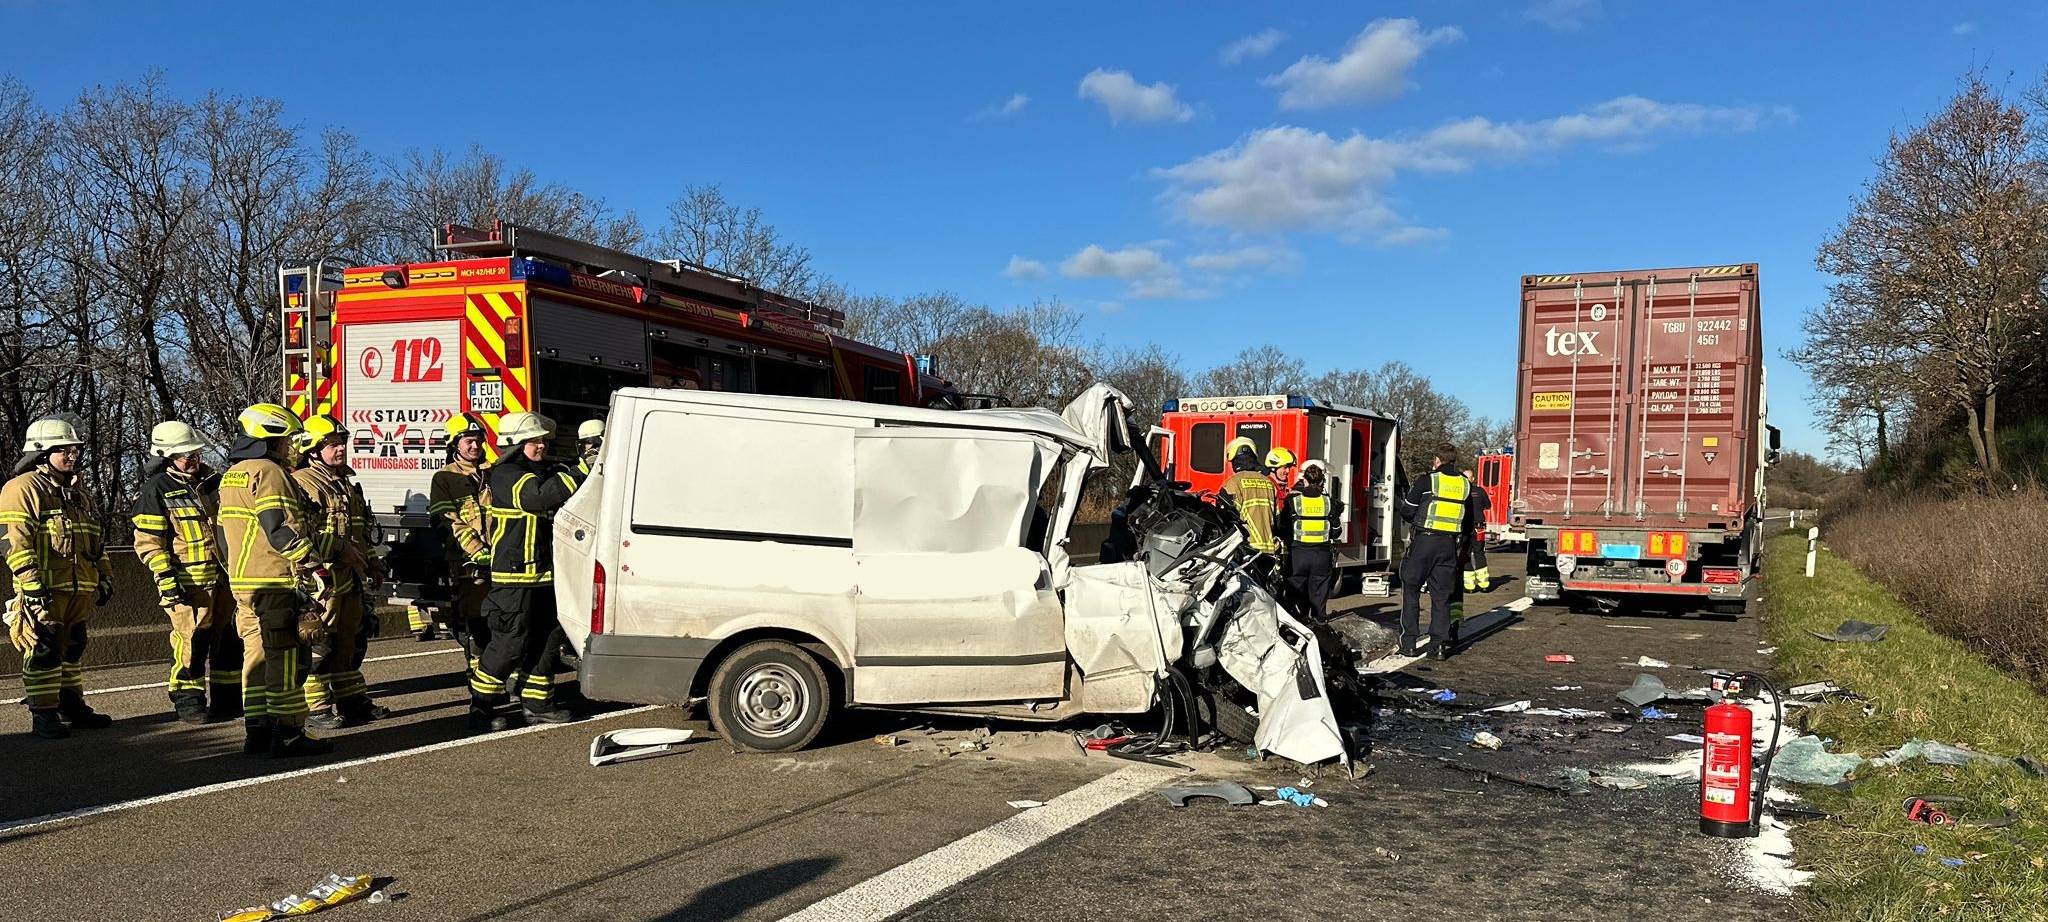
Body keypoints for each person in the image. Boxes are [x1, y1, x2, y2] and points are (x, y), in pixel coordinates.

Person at [217, 403, 332, 756]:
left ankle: (257, 731)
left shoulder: (230, 475)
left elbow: (221, 535)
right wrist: (313, 565)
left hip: (242, 581)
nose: (289, 447)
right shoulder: (270, 472)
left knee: (254, 656)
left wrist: (235, 570)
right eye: (284, 440)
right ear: (269, 439)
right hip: (276, 579)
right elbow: (278, 527)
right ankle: (288, 732)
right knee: (285, 656)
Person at [469, 412, 585, 732]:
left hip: (546, 574)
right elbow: (537, 498)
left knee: (549, 639)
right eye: (533, 440)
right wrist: (582, 470)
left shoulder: (544, 470)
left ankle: (537, 703)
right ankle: (482, 705)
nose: (541, 445)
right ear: (514, 445)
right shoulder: (506, 474)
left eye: (543, 440)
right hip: (515, 576)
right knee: (510, 643)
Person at [3, 418, 115, 740]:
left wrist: (104, 577)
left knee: (74, 647)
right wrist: (30, 583)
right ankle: (44, 714)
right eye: (63, 450)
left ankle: (72, 706)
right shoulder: (22, 489)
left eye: (74, 449)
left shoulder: (81, 494)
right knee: (44, 649)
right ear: (41, 453)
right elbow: (12, 541)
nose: (72, 455)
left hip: (78, 589)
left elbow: (95, 542)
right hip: (46, 590)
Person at [132, 421, 242, 724]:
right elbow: (149, 542)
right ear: (167, 456)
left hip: (225, 577)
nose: (192, 459)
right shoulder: (157, 490)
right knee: (191, 641)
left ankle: (229, 699)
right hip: (188, 583)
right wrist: (165, 579)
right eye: (184, 455)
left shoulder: (216, 481)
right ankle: (188, 701)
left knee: (230, 638)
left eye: (195, 452)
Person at [290, 415, 381, 731]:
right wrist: (340, 551)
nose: (340, 448)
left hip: (350, 578)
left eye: (342, 442)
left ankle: (352, 700)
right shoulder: (304, 482)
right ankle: (316, 706)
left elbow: (360, 531)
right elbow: (304, 531)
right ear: (313, 450)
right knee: (320, 644)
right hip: (323, 580)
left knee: (349, 642)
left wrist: (372, 563)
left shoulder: (344, 482)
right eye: (332, 444)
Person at [1397, 444, 1476, 660]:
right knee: (1441, 597)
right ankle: (1439, 646)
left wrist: (1418, 521)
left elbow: (1406, 510)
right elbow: (1469, 522)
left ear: (1437, 460)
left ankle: (1410, 643)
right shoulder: (1464, 484)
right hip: (1449, 545)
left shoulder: (1427, 480)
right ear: (1454, 461)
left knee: (1411, 589)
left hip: (1424, 542)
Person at [430, 414, 493, 669]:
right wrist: (476, 549)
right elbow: (447, 522)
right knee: (476, 623)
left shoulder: (494, 471)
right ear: (454, 444)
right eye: (469, 441)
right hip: (469, 566)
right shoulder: (445, 478)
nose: (475, 446)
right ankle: (480, 682)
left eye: (478, 440)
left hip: (500, 561)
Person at [1276, 459, 1344, 621]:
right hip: (1321, 555)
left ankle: (1298, 623)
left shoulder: (1293, 501)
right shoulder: (1330, 503)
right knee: (1319, 593)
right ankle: (1319, 624)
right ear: (1322, 481)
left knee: (1296, 593)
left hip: (1298, 555)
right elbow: (1336, 532)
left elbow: (1283, 527)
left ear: (1304, 480)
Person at [1218, 437, 1280, 557]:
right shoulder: (1268, 483)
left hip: (1248, 550)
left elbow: (1226, 518)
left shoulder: (1233, 483)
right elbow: (1277, 520)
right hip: (1271, 550)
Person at [1462, 470, 1492, 593]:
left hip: (1465, 528)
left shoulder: (1461, 491)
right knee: (1479, 553)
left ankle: (1469, 586)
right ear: (1473, 479)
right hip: (1478, 528)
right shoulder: (1480, 491)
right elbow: (1488, 505)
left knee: (1465, 555)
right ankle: (1484, 584)